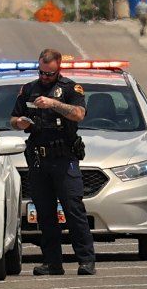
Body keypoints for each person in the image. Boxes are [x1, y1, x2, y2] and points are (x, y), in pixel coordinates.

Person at [10, 49, 96, 276]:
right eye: (41, 72)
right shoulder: (29, 89)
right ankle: (52, 262)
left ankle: (86, 260)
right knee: (45, 213)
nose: (44, 77)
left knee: (73, 209)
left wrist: (53, 104)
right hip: (39, 159)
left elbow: (78, 114)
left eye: (49, 73)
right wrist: (21, 123)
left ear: (58, 70)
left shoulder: (70, 88)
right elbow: (13, 118)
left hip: (64, 158)